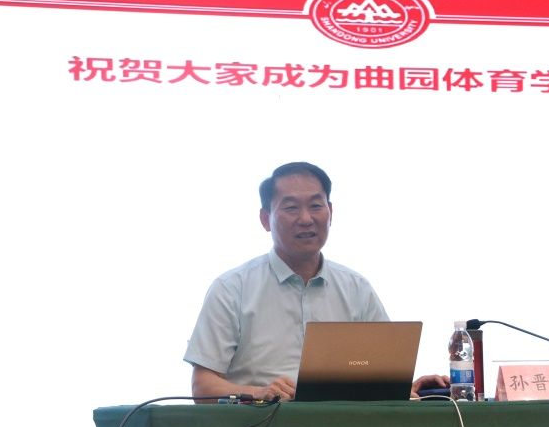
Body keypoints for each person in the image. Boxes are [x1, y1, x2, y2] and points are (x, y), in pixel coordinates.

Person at [184, 161, 447, 401]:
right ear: (265, 219)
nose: (306, 219)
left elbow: (383, 374)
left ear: (330, 212)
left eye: (316, 206)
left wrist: (407, 387)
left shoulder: (356, 288)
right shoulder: (232, 288)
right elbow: (202, 387)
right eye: (291, 208)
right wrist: (259, 393)